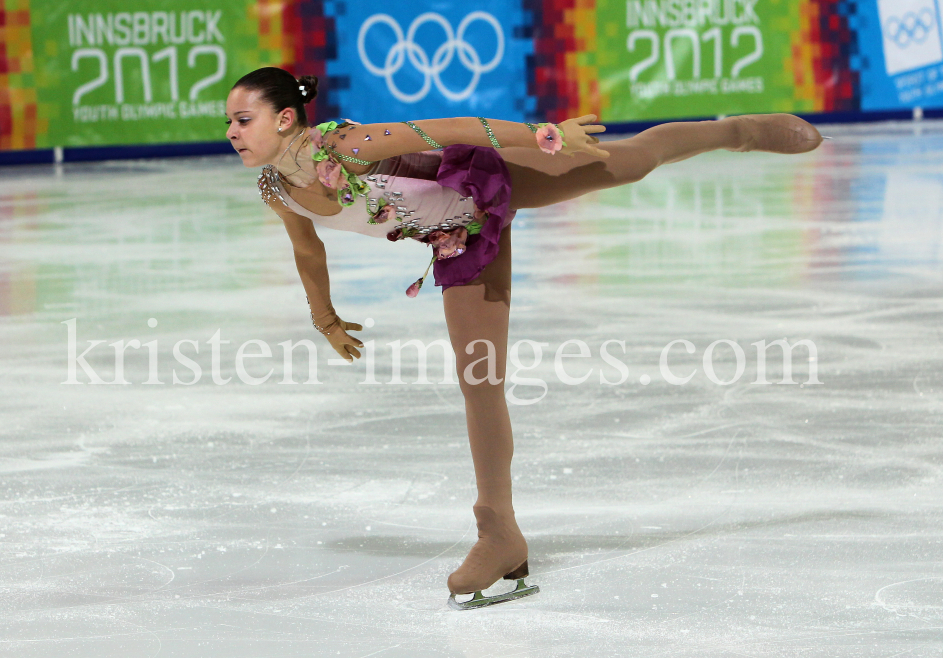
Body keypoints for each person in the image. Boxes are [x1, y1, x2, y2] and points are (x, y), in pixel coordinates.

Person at [224, 66, 823, 610]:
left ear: (284, 119)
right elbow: (308, 247)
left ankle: (739, 130)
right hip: (456, 236)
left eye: (242, 119)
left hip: (485, 180)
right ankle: (499, 532)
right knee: (479, 380)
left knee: (629, 161)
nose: (232, 131)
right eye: (228, 122)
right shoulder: (276, 189)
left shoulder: (345, 144)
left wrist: (542, 134)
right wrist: (323, 317)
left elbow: (448, 127)